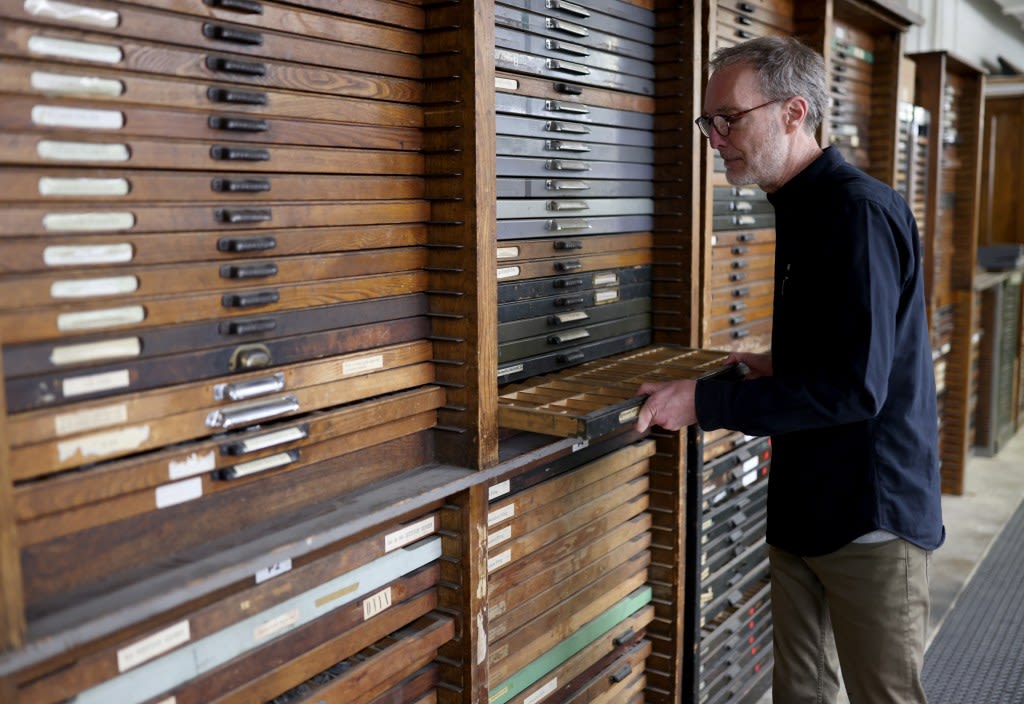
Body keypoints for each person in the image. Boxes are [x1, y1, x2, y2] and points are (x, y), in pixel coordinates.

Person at [635, 36, 944, 703]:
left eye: (730, 119)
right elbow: (854, 346)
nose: (716, 138)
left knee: (882, 696)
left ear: (794, 113)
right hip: (805, 505)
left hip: (870, 515)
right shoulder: (801, 206)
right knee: (799, 693)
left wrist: (704, 404)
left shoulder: (856, 212)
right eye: (708, 122)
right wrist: (778, 364)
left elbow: (859, 386)